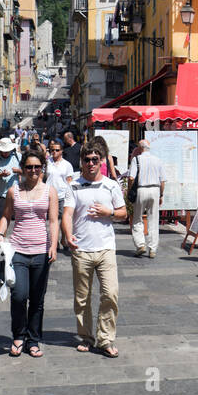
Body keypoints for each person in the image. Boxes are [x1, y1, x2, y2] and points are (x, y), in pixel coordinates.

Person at [61, 139, 126, 357]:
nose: (90, 164)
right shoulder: (74, 186)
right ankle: (86, 336)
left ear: (101, 161)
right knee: (82, 297)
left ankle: (105, 338)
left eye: (94, 160)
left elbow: (123, 213)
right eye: (87, 160)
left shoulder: (111, 185)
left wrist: (109, 213)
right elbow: (67, 214)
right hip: (82, 249)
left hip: (106, 248)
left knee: (110, 294)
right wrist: (68, 235)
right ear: (82, 161)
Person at [0, 149, 59, 358]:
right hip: (18, 250)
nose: (33, 170)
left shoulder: (50, 191)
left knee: (37, 299)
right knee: (19, 296)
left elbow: (52, 221)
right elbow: (6, 216)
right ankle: (18, 335)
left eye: (37, 167)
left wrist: (54, 245)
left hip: (41, 249)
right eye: (29, 167)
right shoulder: (14, 191)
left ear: (42, 168)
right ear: (23, 169)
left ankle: (33, 340)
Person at [127, 139, 166, 259]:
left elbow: (131, 178)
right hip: (155, 190)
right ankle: (152, 249)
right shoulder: (157, 160)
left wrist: (129, 191)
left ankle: (140, 245)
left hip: (141, 190)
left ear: (140, 149)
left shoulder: (136, 159)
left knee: (137, 218)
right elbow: (162, 181)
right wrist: (160, 194)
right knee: (153, 220)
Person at [0, 138, 20, 219]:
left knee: (18, 221)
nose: (6, 153)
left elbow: (27, 171)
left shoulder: (18, 156)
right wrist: (0, 175)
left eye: (7, 151)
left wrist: (18, 171)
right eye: (4, 151)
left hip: (16, 195)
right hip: (1, 195)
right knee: (2, 221)